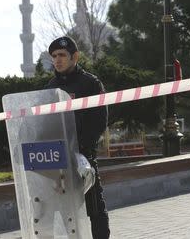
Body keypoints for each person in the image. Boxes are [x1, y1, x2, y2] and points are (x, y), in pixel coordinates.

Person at [45, 36, 110, 239]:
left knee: (95, 209)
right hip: (57, 160)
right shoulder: (50, 87)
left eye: (62, 55)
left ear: (75, 56)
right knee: (64, 211)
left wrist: (80, 147)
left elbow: (100, 119)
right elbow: (45, 124)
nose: (57, 60)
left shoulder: (90, 83)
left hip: (83, 157)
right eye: (54, 56)